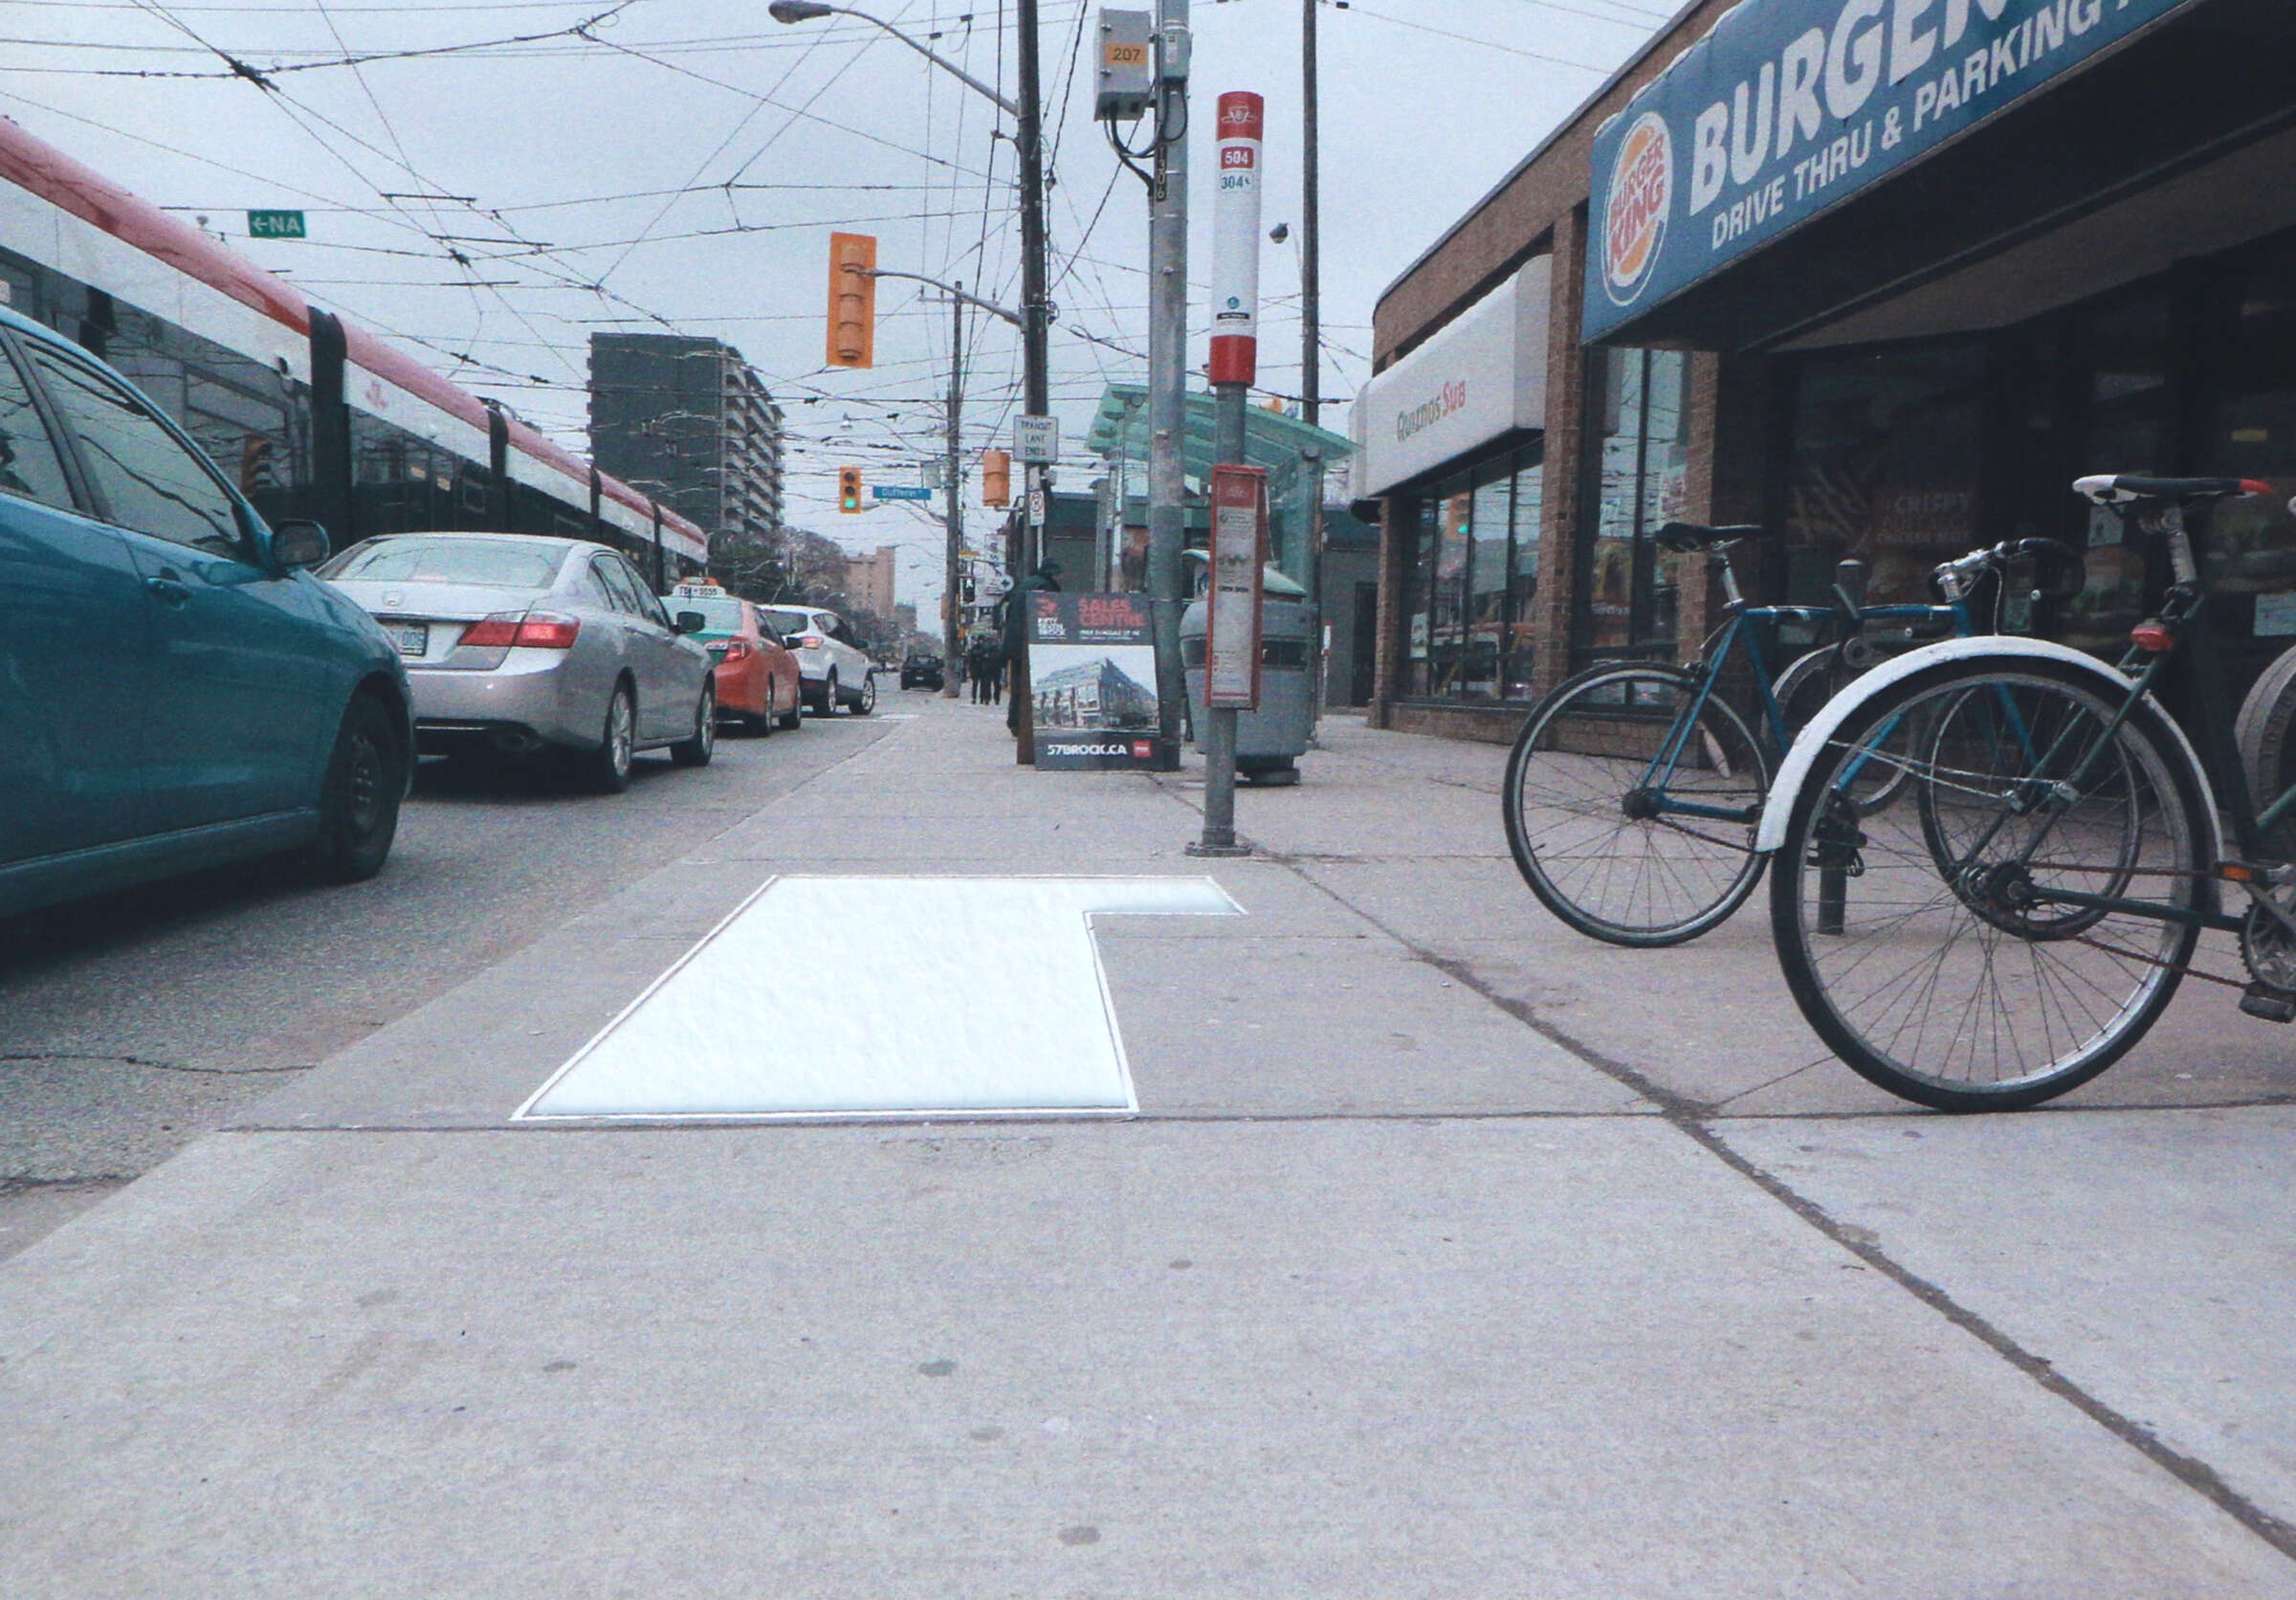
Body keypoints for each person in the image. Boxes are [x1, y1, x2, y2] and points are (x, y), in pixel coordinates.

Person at [1002, 559, 1062, 733]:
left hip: (1015, 641)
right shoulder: (1045, 587)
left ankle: (1015, 722)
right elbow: (1049, 613)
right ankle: (1027, 724)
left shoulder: (1025, 584)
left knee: (1018, 684)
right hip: (1032, 641)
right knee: (1036, 684)